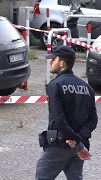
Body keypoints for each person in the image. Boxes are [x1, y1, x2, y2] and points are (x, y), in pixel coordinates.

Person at [35, 45, 98, 180]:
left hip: (58, 146)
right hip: (79, 148)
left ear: (62, 63)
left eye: (54, 59)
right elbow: (93, 120)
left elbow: (59, 119)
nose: (51, 62)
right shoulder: (88, 88)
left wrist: (75, 141)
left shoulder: (55, 85)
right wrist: (79, 140)